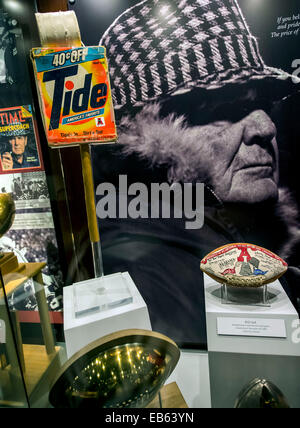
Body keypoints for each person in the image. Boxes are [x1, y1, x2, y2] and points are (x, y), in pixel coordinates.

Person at [92, 0, 300, 347]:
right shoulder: (150, 274)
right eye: (225, 108)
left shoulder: (243, 236)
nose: (265, 126)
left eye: (263, 103)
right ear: (150, 141)